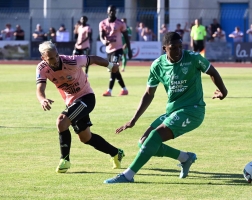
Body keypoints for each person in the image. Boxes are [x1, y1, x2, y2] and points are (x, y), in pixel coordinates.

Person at [103, 32, 228, 184]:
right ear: (164, 49)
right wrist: (133, 119)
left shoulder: (193, 58)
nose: (178, 51)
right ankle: (185, 157)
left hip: (193, 111)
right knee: (143, 142)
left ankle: (128, 175)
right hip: (173, 111)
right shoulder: (158, 65)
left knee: (155, 137)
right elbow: (149, 94)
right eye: (173, 48)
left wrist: (224, 91)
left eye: (180, 47)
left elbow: (212, 71)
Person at [35, 41, 125, 173]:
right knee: (85, 138)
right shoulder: (42, 68)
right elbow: (40, 88)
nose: (55, 60)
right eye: (51, 59)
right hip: (72, 102)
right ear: (43, 58)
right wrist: (42, 99)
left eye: (56, 56)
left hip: (86, 97)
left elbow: (93, 59)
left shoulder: (71, 61)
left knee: (61, 121)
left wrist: (111, 65)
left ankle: (64, 160)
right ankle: (116, 153)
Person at [99, 5, 132, 97]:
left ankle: (109, 90)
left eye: (113, 11)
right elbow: (101, 36)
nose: (112, 12)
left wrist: (129, 50)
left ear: (115, 12)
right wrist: (103, 41)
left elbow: (126, 37)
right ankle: (124, 89)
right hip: (108, 50)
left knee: (113, 68)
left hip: (118, 49)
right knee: (114, 70)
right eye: (110, 11)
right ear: (107, 12)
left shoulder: (120, 23)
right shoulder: (102, 23)